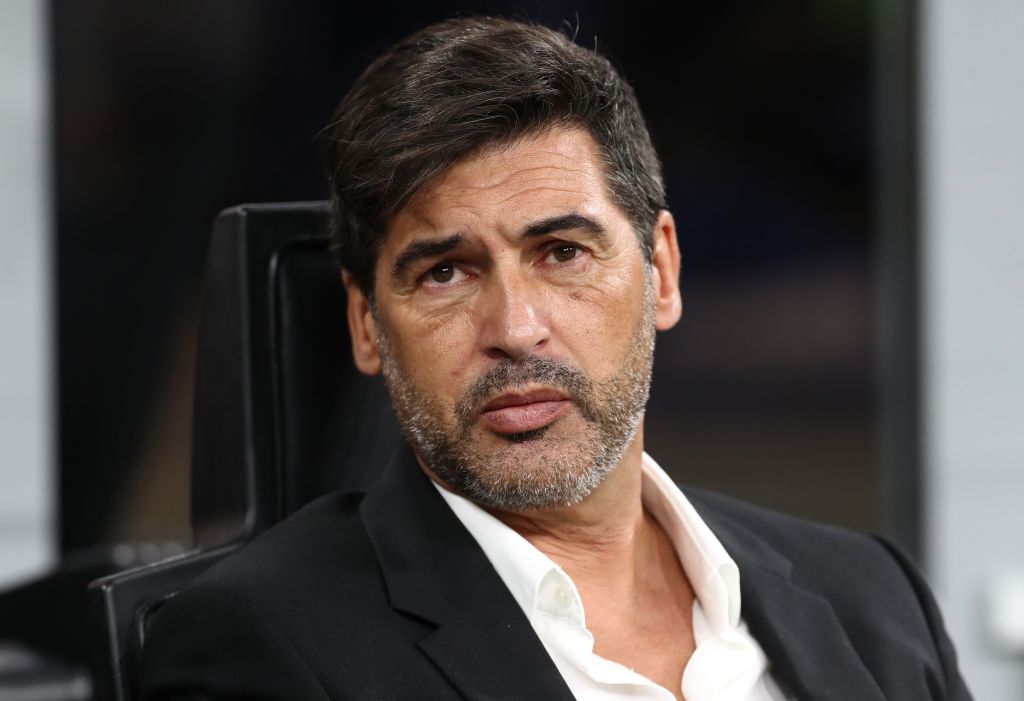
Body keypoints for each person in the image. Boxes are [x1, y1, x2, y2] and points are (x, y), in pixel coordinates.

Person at [141, 17, 971, 701]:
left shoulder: (872, 595)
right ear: (366, 325)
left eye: (563, 253)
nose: (516, 326)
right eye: (445, 272)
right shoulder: (261, 647)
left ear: (663, 272)